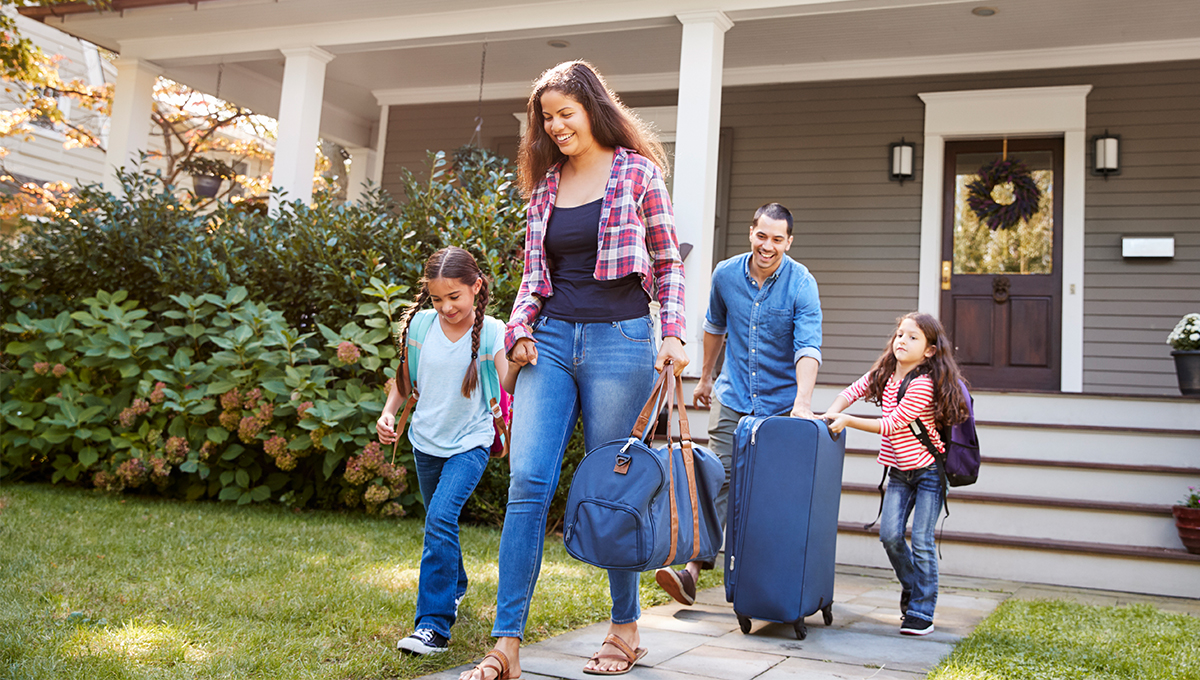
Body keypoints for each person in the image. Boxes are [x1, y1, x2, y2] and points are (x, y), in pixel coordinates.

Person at [459, 60, 688, 680]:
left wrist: (672, 334)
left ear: (592, 108)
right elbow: (534, 279)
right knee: (528, 485)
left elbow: (668, 265)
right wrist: (521, 331)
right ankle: (506, 644)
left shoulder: (638, 173)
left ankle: (624, 628)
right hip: (552, 341)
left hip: (621, 340)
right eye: (546, 117)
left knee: (616, 489)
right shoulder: (543, 190)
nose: (556, 125)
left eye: (566, 112)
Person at [654, 202, 823, 607]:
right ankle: (693, 569)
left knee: (771, 492)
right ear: (751, 233)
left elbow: (808, 347)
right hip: (733, 397)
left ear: (789, 242)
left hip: (781, 405)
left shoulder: (801, 284)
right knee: (719, 477)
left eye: (777, 239)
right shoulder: (726, 274)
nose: (768, 246)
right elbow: (714, 327)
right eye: (762, 236)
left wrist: (802, 401)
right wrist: (707, 377)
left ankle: (764, 580)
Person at [377, 247, 516, 656]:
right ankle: (455, 585)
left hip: (470, 443)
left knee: (439, 517)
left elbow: (508, 381)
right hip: (426, 442)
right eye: (437, 299)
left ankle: (432, 626)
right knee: (441, 523)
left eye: (454, 297)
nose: (446, 307)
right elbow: (404, 378)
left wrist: (520, 354)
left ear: (476, 287)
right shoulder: (420, 325)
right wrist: (388, 413)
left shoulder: (492, 331)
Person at [821, 312, 970, 636]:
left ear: (930, 350)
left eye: (912, 337)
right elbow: (853, 390)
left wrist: (846, 420)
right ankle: (916, 586)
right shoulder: (886, 372)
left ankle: (921, 610)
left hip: (930, 472)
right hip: (899, 473)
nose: (902, 340)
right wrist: (834, 409)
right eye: (900, 334)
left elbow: (891, 424)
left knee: (922, 541)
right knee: (890, 536)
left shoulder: (924, 384)